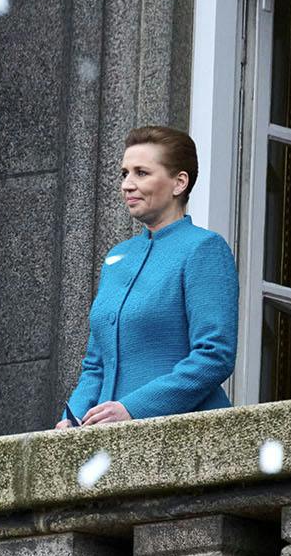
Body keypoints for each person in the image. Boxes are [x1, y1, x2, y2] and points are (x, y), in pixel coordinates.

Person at [59, 125, 238, 428]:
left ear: (179, 183)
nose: (127, 184)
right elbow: (96, 364)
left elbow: (214, 355)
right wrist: (71, 419)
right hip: (106, 440)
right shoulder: (118, 258)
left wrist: (134, 408)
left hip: (183, 433)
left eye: (141, 173)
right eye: (124, 173)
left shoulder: (203, 248)